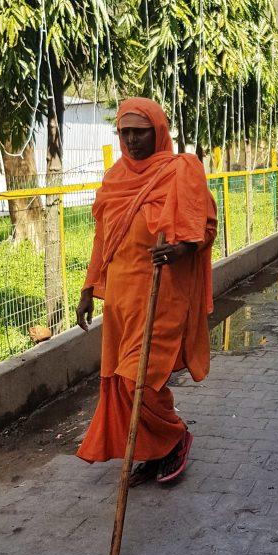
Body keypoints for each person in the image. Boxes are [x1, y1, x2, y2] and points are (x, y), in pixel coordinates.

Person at [75, 97, 217, 485]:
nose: (133, 140)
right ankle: (154, 451)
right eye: (125, 132)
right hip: (122, 302)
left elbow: (204, 227)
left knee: (137, 379)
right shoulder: (114, 180)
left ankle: (174, 436)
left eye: (141, 131)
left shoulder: (181, 170)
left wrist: (181, 248)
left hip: (162, 295)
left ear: (158, 131)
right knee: (123, 384)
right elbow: (102, 240)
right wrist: (89, 288)